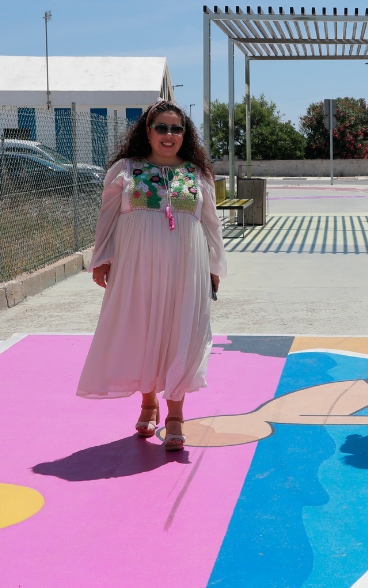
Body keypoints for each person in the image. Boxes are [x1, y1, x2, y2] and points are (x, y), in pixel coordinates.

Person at [76, 101, 227, 451]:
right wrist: (102, 258)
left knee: (182, 334)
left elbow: (211, 225)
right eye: (161, 127)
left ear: (184, 134)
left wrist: (215, 267)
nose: (169, 135)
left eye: (176, 129)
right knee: (143, 330)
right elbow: (107, 217)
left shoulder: (197, 173)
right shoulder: (125, 170)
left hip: (186, 267)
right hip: (137, 267)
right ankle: (148, 402)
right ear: (147, 130)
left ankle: (176, 414)